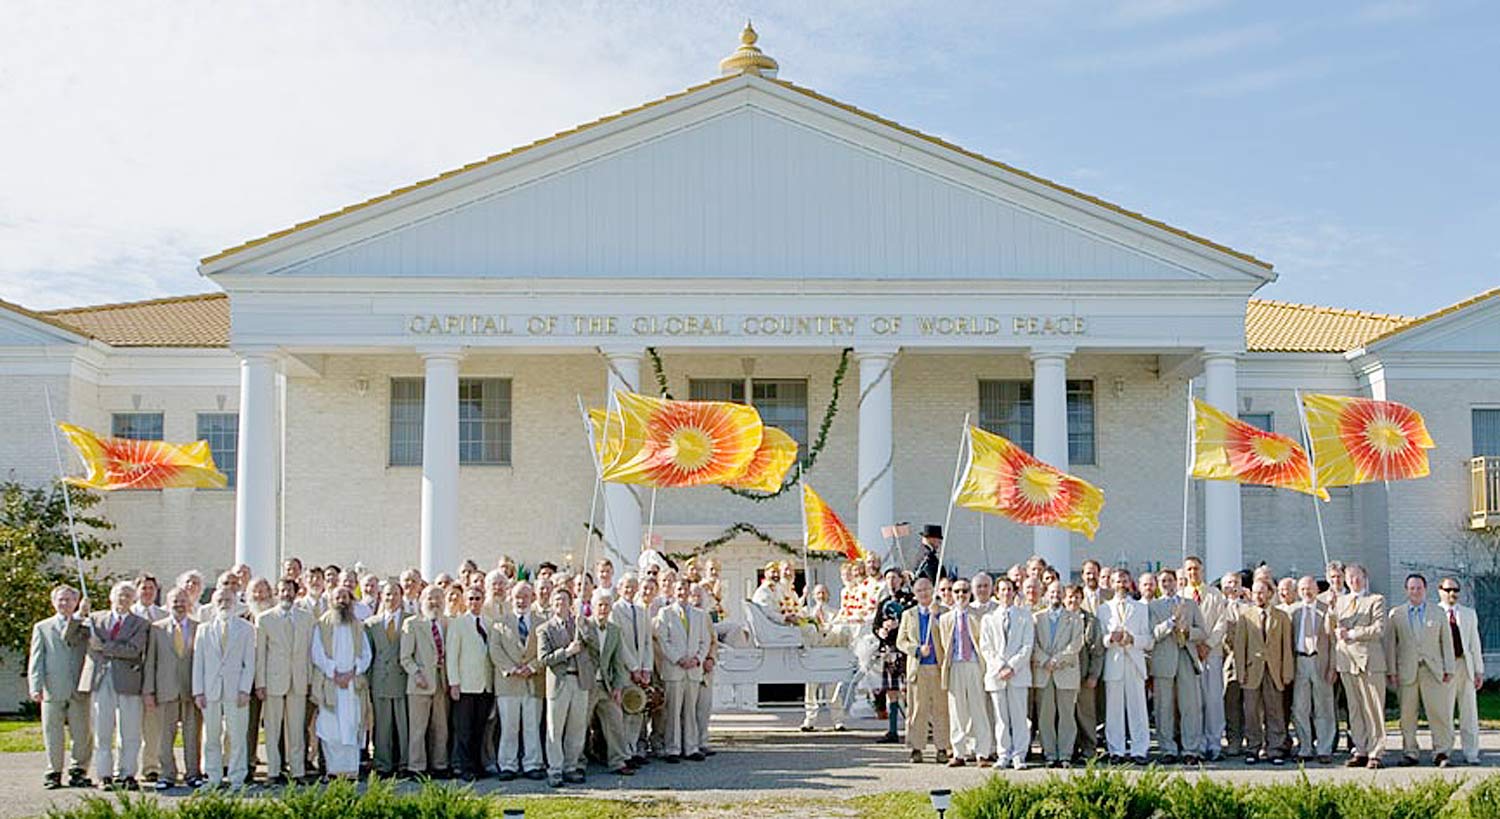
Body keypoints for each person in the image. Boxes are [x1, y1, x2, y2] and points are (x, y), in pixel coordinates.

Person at [83, 581, 149, 790]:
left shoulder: (140, 623)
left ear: (134, 599)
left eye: (129, 595)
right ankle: (104, 775)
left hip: (129, 681)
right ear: (111, 597)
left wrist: (104, 647)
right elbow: (73, 636)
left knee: (130, 732)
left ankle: (128, 774)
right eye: (120, 595)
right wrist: (80, 613)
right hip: (101, 680)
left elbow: (133, 650)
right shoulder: (95, 619)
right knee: (103, 731)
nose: (124, 599)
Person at [1386, 573, 1455, 767]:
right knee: (1407, 715)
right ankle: (1410, 752)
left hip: (1432, 670)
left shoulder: (1438, 612)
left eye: (1418, 588)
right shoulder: (1396, 614)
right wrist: (1391, 671)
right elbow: (1392, 644)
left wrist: (1448, 667)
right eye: (1411, 588)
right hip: (1407, 671)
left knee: (1438, 713)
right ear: (1406, 590)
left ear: (1425, 589)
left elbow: (1446, 643)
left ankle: (1441, 751)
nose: (1415, 591)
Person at [28, 584, 93, 790]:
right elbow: (37, 659)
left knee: (82, 733)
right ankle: (53, 771)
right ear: (53, 602)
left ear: (76, 602)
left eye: (69, 599)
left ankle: (79, 770)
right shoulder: (42, 627)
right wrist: (35, 685)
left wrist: (83, 615)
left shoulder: (85, 625)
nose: (64, 603)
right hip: (52, 687)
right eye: (61, 599)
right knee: (52, 732)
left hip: (79, 687)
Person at [193, 588, 256, 788]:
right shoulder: (204, 629)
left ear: (235, 602)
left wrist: (246, 689)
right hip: (210, 691)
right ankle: (213, 777)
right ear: (213, 603)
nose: (224, 603)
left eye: (228, 599)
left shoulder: (246, 629)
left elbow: (250, 663)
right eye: (220, 600)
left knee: (237, 736)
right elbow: (198, 662)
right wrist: (198, 691)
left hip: (236, 690)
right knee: (211, 736)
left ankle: (237, 777)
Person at [254, 577, 313, 785]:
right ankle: (273, 771)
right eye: (282, 590)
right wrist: (260, 683)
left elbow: (308, 651)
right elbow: (260, 654)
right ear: (276, 593)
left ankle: (297, 771)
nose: (286, 594)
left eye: (290, 590)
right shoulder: (265, 619)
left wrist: (309, 678)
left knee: (296, 729)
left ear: (296, 593)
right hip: (273, 681)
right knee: (272, 729)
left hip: (298, 680)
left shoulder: (306, 618)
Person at [311, 586, 372, 780]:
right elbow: (317, 653)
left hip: (353, 685)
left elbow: (366, 654)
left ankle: (351, 771)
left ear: (350, 600)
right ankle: (333, 771)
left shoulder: (358, 625)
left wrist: (353, 672)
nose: (341, 600)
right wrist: (334, 673)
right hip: (331, 685)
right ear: (331, 600)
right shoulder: (322, 624)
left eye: (345, 597)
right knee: (331, 730)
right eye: (337, 597)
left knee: (352, 726)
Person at [143, 587, 201, 789]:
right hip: (165, 690)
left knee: (192, 735)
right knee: (165, 736)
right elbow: (150, 662)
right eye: (175, 601)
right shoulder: (157, 629)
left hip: (191, 690)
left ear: (190, 603)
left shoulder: (199, 627)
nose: (179, 604)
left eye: (183, 600)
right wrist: (148, 691)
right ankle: (167, 774)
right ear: (168, 604)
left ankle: (193, 773)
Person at [1147, 568, 1206, 765]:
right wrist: (1171, 623)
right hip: (1164, 659)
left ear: (1177, 582)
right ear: (1158, 584)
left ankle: (1191, 748)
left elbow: (1202, 632)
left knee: (1190, 705)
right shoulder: (1152, 606)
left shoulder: (1188, 604)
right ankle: (1167, 748)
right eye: (1163, 581)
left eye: (1170, 581)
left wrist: (1188, 631)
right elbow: (1153, 634)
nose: (1167, 584)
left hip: (1185, 656)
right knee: (1164, 707)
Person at [1232, 579, 1293, 765]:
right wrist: (1240, 671)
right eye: (1255, 592)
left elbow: (1286, 647)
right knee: (1251, 712)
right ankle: (1253, 748)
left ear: (1269, 593)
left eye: (1262, 592)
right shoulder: (1245, 616)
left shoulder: (1281, 616)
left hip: (1274, 670)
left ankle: (1275, 748)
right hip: (1252, 670)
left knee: (1274, 711)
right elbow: (1239, 646)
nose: (1258, 596)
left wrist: (1287, 671)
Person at [1333, 563, 1388, 769]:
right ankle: (1361, 749)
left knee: (1372, 708)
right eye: (1350, 577)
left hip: (1370, 662)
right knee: (1354, 709)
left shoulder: (1375, 600)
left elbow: (1379, 629)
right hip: (1347, 662)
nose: (1354, 580)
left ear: (1365, 578)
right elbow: (1332, 626)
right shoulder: (1341, 602)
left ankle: (1376, 751)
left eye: (1358, 576)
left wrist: (1353, 633)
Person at [490, 581, 544, 781]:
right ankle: (508, 765)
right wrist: (512, 669)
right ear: (511, 598)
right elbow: (495, 650)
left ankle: (532, 764)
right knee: (509, 727)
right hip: (508, 683)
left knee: (532, 726)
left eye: (525, 596)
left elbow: (545, 651)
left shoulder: (541, 623)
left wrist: (531, 667)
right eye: (517, 596)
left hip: (532, 681)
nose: (521, 600)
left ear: (532, 598)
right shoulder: (500, 622)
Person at [653, 578, 710, 766]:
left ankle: (691, 747)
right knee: (673, 711)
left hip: (693, 670)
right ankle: (673, 748)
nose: (682, 593)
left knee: (690, 711)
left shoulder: (700, 615)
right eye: (679, 589)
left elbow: (705, 641)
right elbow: (663, 640)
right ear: (673, 591)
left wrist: (697, 659)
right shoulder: (665, 613)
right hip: (674, 668)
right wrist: (678, 659)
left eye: (685, 589)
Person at [540, 586, 591, 786]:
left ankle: (571, 766)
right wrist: (566, 652)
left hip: (579, 681)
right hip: (559, 681)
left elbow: (593, 646)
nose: (561, 603)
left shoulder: (579, 625)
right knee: (555, 728)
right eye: (557, 600)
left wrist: (584, 629)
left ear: (571, 604)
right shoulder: (545, 629)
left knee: (576, 727)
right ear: (552, 605)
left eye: (564, 600)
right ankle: (555, 769)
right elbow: (543, 659)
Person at [937, 578, 991, 767]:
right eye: (957, 591)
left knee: (978, 709)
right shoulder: (945, 619)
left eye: (965, 591)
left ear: (970, 593)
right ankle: (959, 752)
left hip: (975, 664)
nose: (961, 595)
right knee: (957, 711)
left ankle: (982, 752)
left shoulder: (980, 615)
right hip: (955, 665)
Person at [979, 577, 1030, 770]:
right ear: (996, 593)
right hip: (996, 674)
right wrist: (1001, 666)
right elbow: (986, 647)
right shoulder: (988, 618)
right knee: (1001, 717)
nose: (1006, 593)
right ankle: (1003, 754)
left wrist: (1012, 667)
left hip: (1018, 674)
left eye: (1009, 589)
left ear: (1014, 592)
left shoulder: (1024, 616)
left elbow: (1027, 645)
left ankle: (1019, 754)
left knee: (1019, 716)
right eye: (1002, 589)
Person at [1100, 568, 1151, 764]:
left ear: (1130, 584)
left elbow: (1148, 639)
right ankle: (1116, 750)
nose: (1121, 585)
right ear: (1112, 584)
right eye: (1117, 581)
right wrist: (1109, 639)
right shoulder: (1103, 609)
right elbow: (1100, 639)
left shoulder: (1140, 608)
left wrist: (1133, 639)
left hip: (1134, 661)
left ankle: (1139, 749)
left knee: (1138, 707)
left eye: (1124, 581)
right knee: (1114, 710)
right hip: (1114, 663)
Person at [581, 590, 635, 776]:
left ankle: (618, 761)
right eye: (600, 605)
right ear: (593, 607)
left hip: (606, 685)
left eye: (606, 605)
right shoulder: (583, 626)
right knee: (581, 724)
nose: (603, 609)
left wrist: (618, 686)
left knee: (615, 720)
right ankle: (579, 763)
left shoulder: (614, 631)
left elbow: (618, 663)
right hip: (585, 684)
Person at [400, 585, 451, 778]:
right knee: (418, 728)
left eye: (438, 598)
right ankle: (416, 767)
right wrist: (416, 674)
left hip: (441, 681)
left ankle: (440, 764)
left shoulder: (447, 623)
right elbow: (405, 657)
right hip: (419, 683)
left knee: (441, 727)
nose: (435, 602)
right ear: (422, 600)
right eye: (430, 598)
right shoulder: (412, 624)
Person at [1182, 556, 1229, 761]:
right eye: (1189, 569)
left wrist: (1208, 644)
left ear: (1202, 570)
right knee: (1194, 702)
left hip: (1212, 653)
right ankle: (1196, 744)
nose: (1193, 573)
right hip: (1190, 655)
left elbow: (1221, 623)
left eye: (1196, 569)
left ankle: (1214, 743)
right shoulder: (1181, 596)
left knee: (1213, 700)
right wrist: (1194, 643)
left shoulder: (1214, 594)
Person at [897, 576, 949, 764]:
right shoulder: (908, 615)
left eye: (927, 589)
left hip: (938, 667)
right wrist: (917, 650)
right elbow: (901, 641)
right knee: (917, 709)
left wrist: (936, 618)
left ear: (933, 590)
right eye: (919, 590)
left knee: (940, 710)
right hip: (918, 669)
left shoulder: (943, 612)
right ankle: (916, 747)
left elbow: (948, 635)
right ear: (915, 594)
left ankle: (942, 747)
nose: (924, 593)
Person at [1032, 583, 1084, 767]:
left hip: (1066, 672)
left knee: (1067, 715)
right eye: (1052, 592)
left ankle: (1065, 754)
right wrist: (1045, 660)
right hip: (1043, 671)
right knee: (1045, 716)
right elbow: (1033, 644)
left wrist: (1057, 660)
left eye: (1059, 592)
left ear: (1063, 595)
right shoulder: (1037, 618)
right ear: (1046, 594)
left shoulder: (1075, 618)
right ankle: (1050, 753)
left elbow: (1076, 644)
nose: (1056, 595)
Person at [445, 585, 493, 782]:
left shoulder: (489, 623)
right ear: (465, 601)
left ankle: (477, 764)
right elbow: (452, 655)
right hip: (465, 686)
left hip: (485, 685)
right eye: (471, 599)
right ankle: (466, 767)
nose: (474, 602)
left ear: (483, 601)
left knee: (479, 729)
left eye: (478, 599)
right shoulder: (458, 624)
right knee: (464, 730)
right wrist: (453, 683)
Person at [1288, 575, 1337, 764]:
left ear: (1317, 590)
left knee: (1323, 707)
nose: (1306, 592)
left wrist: (1333, 666)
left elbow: (1334, 642)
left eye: (1310, 588)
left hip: (1320, 661)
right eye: (1302, 590)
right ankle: (1305, 747)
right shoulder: (1294, 612)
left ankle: (1324, 748)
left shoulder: (1327, 611)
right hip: (1300, 661)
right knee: (1300, 708)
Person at [1437, 577, 1484, 766]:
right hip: (1444, 668)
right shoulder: (1435, 613)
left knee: (1469, 712)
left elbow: (1474, 644)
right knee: (1445, 712)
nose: (1452, 594)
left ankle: (1471, 752)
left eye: (1455, 590)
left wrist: (1478, 671)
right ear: (1440, 591)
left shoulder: (1468, 614)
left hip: (1465, 665)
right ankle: (1444, 751)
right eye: (1448, 590)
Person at [365, 580, 409, 776]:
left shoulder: (411, 620)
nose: (391, 598)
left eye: (395, 594)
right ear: (382, 597)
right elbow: (368, 654)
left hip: (403, 679)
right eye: (387, 594)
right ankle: (383, 764)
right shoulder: (371, 624)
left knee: (403, 724)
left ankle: (404, 763)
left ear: (401, 597)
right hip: (380, 679)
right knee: (382, 725)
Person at [611, 573, 654, 766]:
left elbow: (646, 642)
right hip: (624, 667)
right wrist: (633, 667)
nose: (630, 590)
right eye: (626, 586)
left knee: (638, 710)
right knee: (625, 710)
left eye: (633, 586)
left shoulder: (642, 610)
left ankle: (635, 748)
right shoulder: (615, 610)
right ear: (619, 588)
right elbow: (619, 642)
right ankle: (625, 752)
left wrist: (646, 667)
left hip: (640, 668)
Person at [131, 574, 167, 785]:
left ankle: (151, 766)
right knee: (129, 726)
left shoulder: (163, 614)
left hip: (156, 679)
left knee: (153, 726)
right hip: (131, 678)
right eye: (143, 588)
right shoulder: (130, 613)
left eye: (151, 588)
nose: (147, 592)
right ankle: (126, 768)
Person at [873, 569, 914, 744]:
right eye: (888, 578)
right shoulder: (883, 603)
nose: (891, 582)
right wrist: (880, 631)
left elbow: (913, 621)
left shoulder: (909, 600)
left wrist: (899, 624)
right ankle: (892, 730)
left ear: (901, 580)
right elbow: (875, 625)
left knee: (909, 691)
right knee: (892, 691)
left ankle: (912, 730)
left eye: (894, 578)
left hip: (905, 651)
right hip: (889, 651)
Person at [801, 583, 845, 732]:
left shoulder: (835, 612)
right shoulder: (807, 612)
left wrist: (826, 626)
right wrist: (803, 597)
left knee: (833, 690)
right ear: (814, 596)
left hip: (830, 654)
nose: (821, 596)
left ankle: (838, 721)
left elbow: (836, 628)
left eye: (824, 593)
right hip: (813, 655)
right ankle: (809, 720)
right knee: (811, 690)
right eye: (818, 593)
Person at [1071, 584, 1105, 763]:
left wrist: (1093, 674)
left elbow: (1097, 651)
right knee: (1068, 715)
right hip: (1064, 677)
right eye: (1069, 597)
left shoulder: (1091, 620)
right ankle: (1071, 748)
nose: (1073, 600)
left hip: (1085, 676)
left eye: (1076, 597)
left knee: (1086, 714)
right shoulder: (1061, 618)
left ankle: (1089, 749)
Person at [1219, 571, 1248, 757]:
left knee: (1253, 705)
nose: (1233, 585)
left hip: (1250, 661)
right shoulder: (1220, 607)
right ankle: (1234, 740)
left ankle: (1254, 740)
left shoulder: (1249, 605)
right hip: (1229, 661)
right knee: (1231, 703)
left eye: (1236, 582)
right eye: (1229, 582)